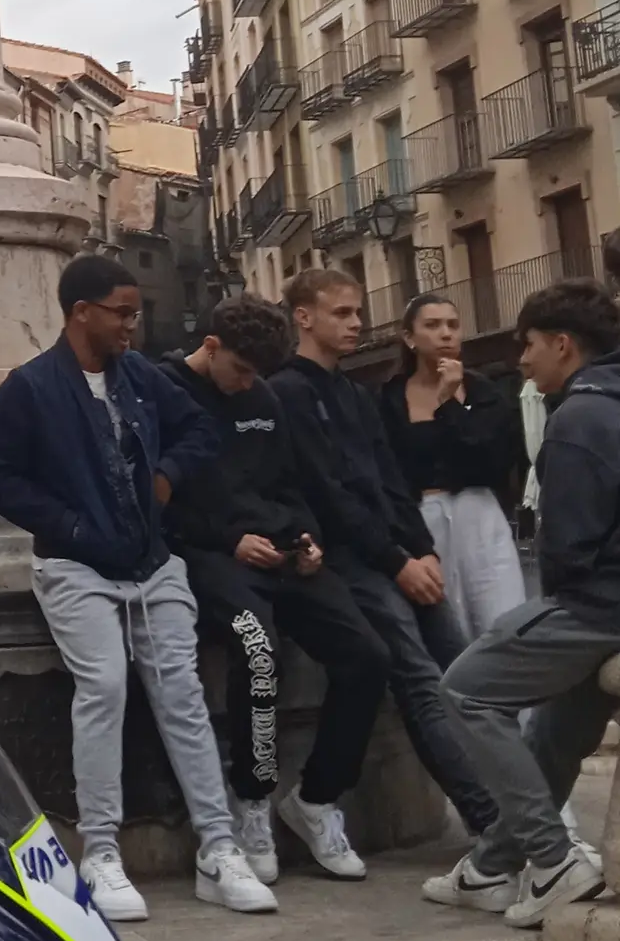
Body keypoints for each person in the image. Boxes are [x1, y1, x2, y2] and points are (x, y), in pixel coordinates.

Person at [0, 254, 272, 920]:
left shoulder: (141, 375)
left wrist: (164, 475)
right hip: (74, 566)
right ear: (82, 312)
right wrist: (71, 526)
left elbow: (199, 429)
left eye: (134, 313)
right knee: (104, 685)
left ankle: (219, 847)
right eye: (122, 312)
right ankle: (100, 852)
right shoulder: (31, 388)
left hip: (153, 562)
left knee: (183, 692)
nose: (133, 325)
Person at [157, 298, 391, 882]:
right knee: (260, 651)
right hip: (210, 559)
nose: (247, 384)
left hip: (285, 554)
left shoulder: (262, 398)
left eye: (257, 374)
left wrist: (307, 540)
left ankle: (316, 798)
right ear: (211, 347)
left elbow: (290, 483)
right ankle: (252, 800)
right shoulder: (162, 391)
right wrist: (229, 541)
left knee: (367, 656)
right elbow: (159, 501)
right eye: (239, 370)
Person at [267, 269, 499, 839]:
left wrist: (422, 550)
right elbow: (328, 493)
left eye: (357, 312)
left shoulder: (354, 394)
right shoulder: (287, 392)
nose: (356, 323)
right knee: (419, 677)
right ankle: (491, 824)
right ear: (304, 317)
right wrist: (398, 562)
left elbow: (388, 481)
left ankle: (521, 808)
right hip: (349, 563)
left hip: (397, 553)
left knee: (468, 671)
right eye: (342, 313)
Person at [429, 281, 620, 927]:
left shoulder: (577, 418)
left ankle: (554, 858)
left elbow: (567, 554)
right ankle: (489, 867)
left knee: (466, 689)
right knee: (557, 731)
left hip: (601, 605)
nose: (522, 359)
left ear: (563, 344)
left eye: (530, 345)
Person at [379, 294, 527, 641]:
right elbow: (388, 471)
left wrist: (449, 403)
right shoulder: (388, 399)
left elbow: (491, 460)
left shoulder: (483, 391)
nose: (446, 333)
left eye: (452, 325)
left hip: (480, 514)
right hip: (422, 521)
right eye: (432, 325)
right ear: (409, 338)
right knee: (448, 626)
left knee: (502, 621)